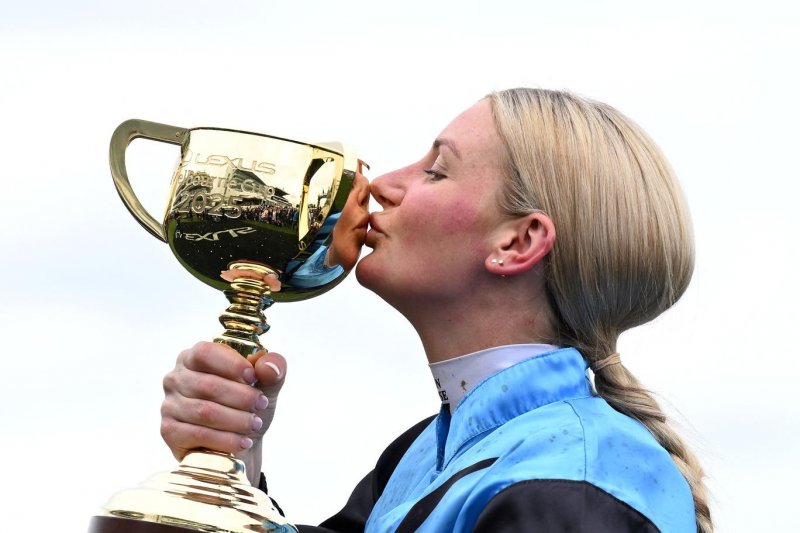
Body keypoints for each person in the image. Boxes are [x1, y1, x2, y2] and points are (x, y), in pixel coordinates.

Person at [160, 88, 712, 532]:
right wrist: (233, 462)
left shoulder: (576, 486)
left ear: (518, 243)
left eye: (436, 170)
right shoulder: (423, 454)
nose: (382, 185)